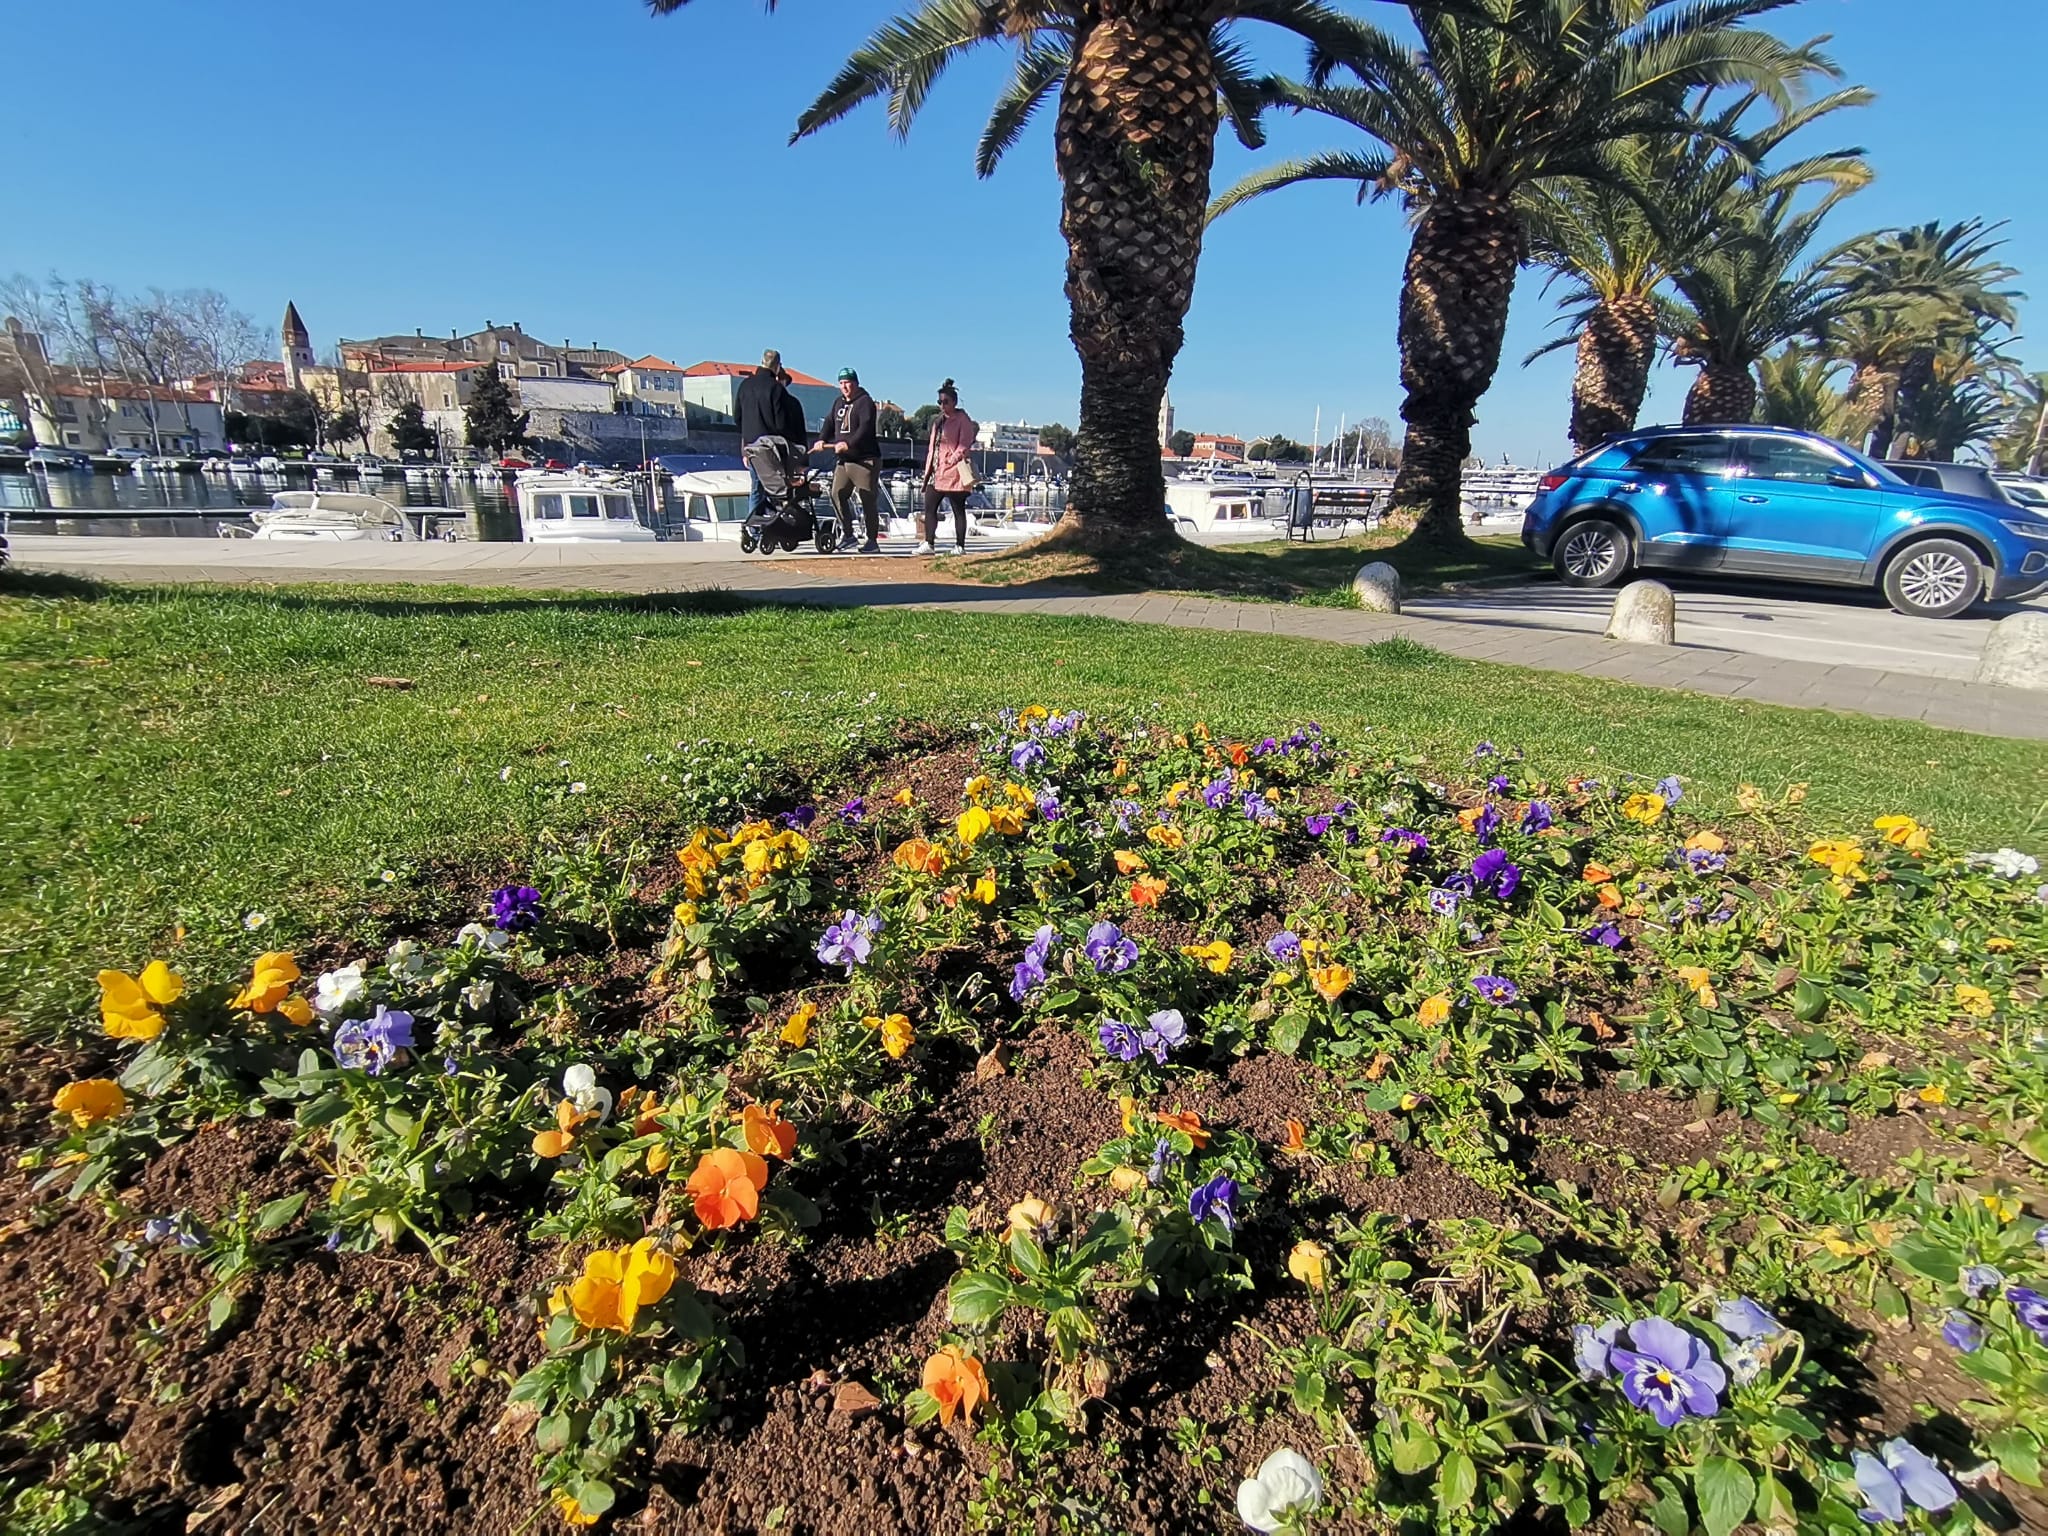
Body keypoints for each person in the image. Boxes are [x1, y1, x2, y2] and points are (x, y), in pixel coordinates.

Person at [813, 367, 883, 554]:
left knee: (867, 498)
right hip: (844, 460)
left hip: (864, 459)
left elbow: (865, 428)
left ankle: (872, 540)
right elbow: (829, 423)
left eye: (848, 383)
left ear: (856, 383)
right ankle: (848, 534)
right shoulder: (838, 403)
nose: (844, 387)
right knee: (837, 493)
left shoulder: (865, 402)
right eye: (841, 383)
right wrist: (821, 439)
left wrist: (848, 443)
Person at [735, 348, 800, 522]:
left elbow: (737, 418)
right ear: (777, 366)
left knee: (756, 488)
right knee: (776, 489)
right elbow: (781, 423)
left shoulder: (745, 385)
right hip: (770, 447)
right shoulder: (776, 388)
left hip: (750, 446)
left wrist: (746, 441)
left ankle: (753, 525)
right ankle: (772, 525)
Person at [919, 378, 977, 556]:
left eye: (946, 402)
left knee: (958, 509)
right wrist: (929, 467)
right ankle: (929, 542)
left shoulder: (963, 420)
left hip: (954, 472)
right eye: (939, 402)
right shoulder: (938, 421)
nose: (942, 405)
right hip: (936, 471)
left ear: (954, 402)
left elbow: (965, 443)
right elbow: (933, 446)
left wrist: (953, 459)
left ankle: (960, 545)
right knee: (930, 507)